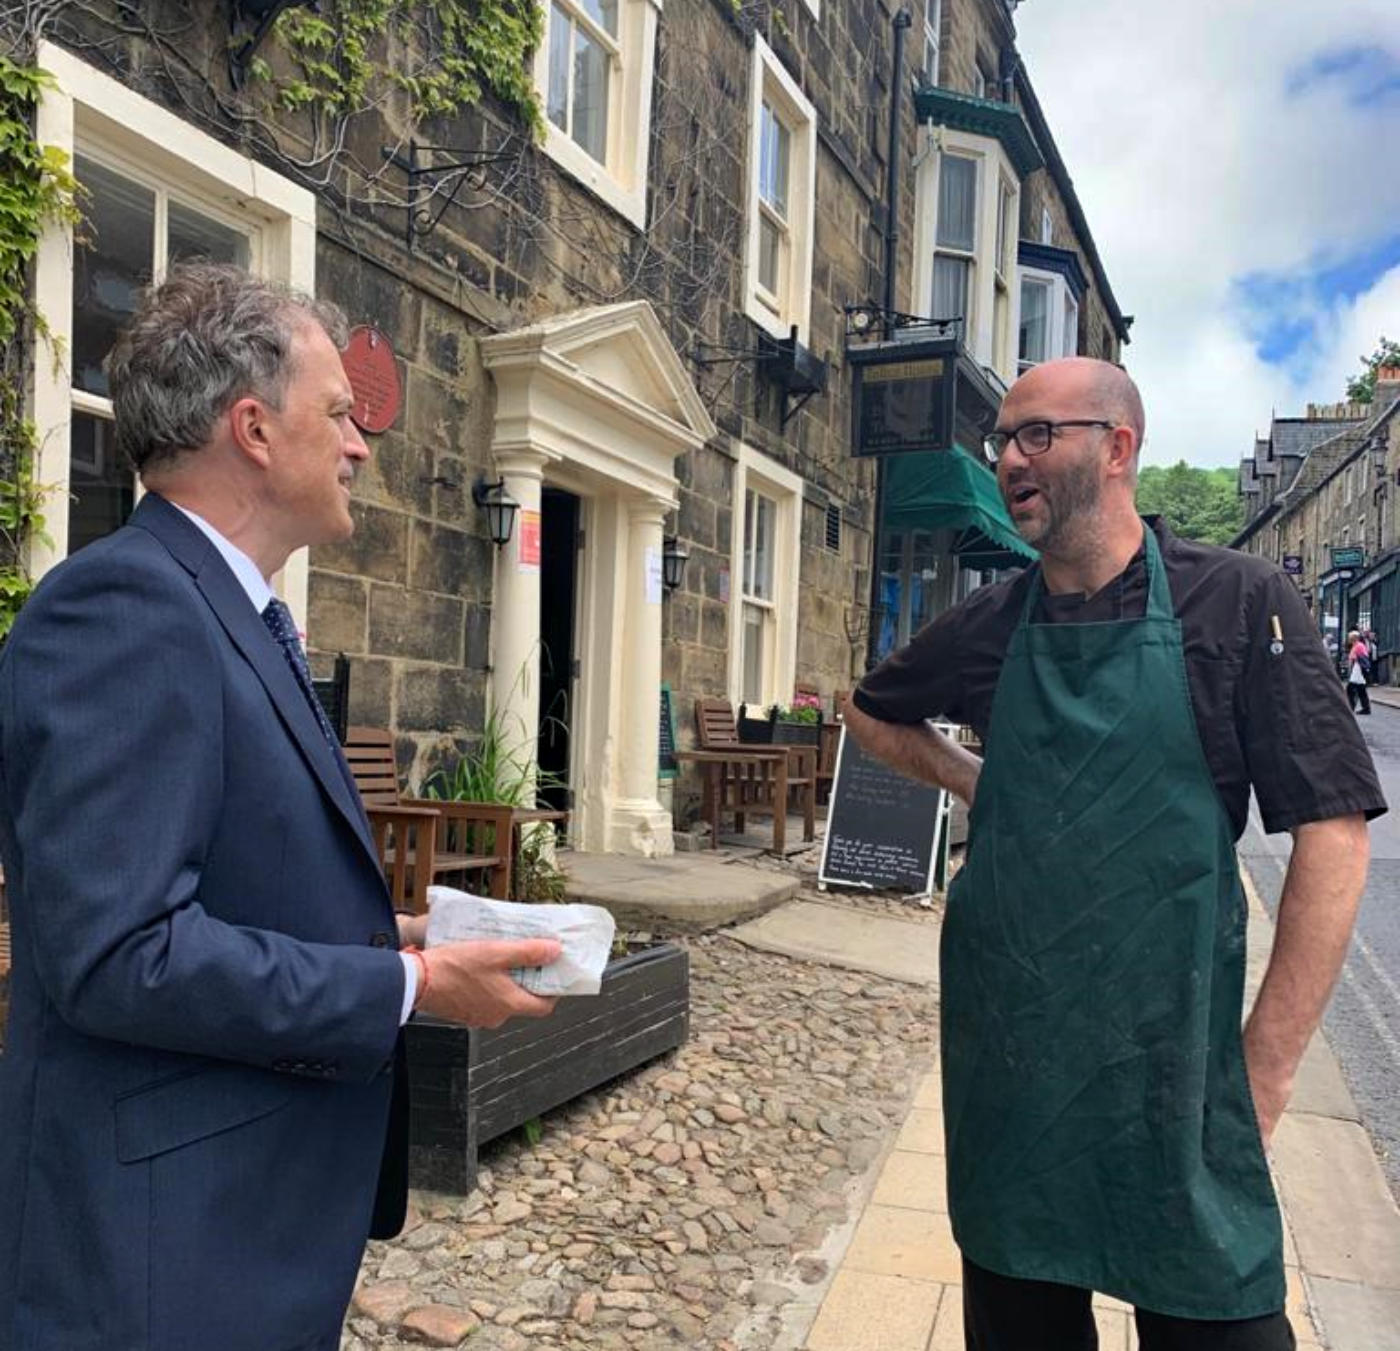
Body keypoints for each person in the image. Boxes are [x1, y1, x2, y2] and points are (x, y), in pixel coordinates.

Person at [0, 263, 565, 1351]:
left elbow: (206, 878)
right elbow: (120, 955)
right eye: (341, 414)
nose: (361, 444)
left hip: (235, 1224)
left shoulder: (224, 610)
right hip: (153, 1259)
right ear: (252, 428)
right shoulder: (125, 608)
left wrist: (391, 934)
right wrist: (407, 983)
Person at [846, 357, 1384, 1350]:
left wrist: (1261, 1070)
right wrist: (976, 779)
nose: (1009, 458)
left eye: (1035, 435)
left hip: (1173, 1078)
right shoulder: (987, 625)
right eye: (1001, 440)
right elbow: (872, 712)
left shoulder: (1236, 602)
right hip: (1013, 1071)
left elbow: (1333, 833)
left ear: (1118, 446)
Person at [1346, 629, 1372, 714]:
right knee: (1361, 690)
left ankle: (1350, 706)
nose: (1348, 639)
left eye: (1350, 638)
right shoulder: (1358, 645)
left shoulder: (1358, 646)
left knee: (1350, 688)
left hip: (1358, 669)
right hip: (1358, 669)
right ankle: (1366, 708)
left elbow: (1356, 658)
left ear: (1353, 638)